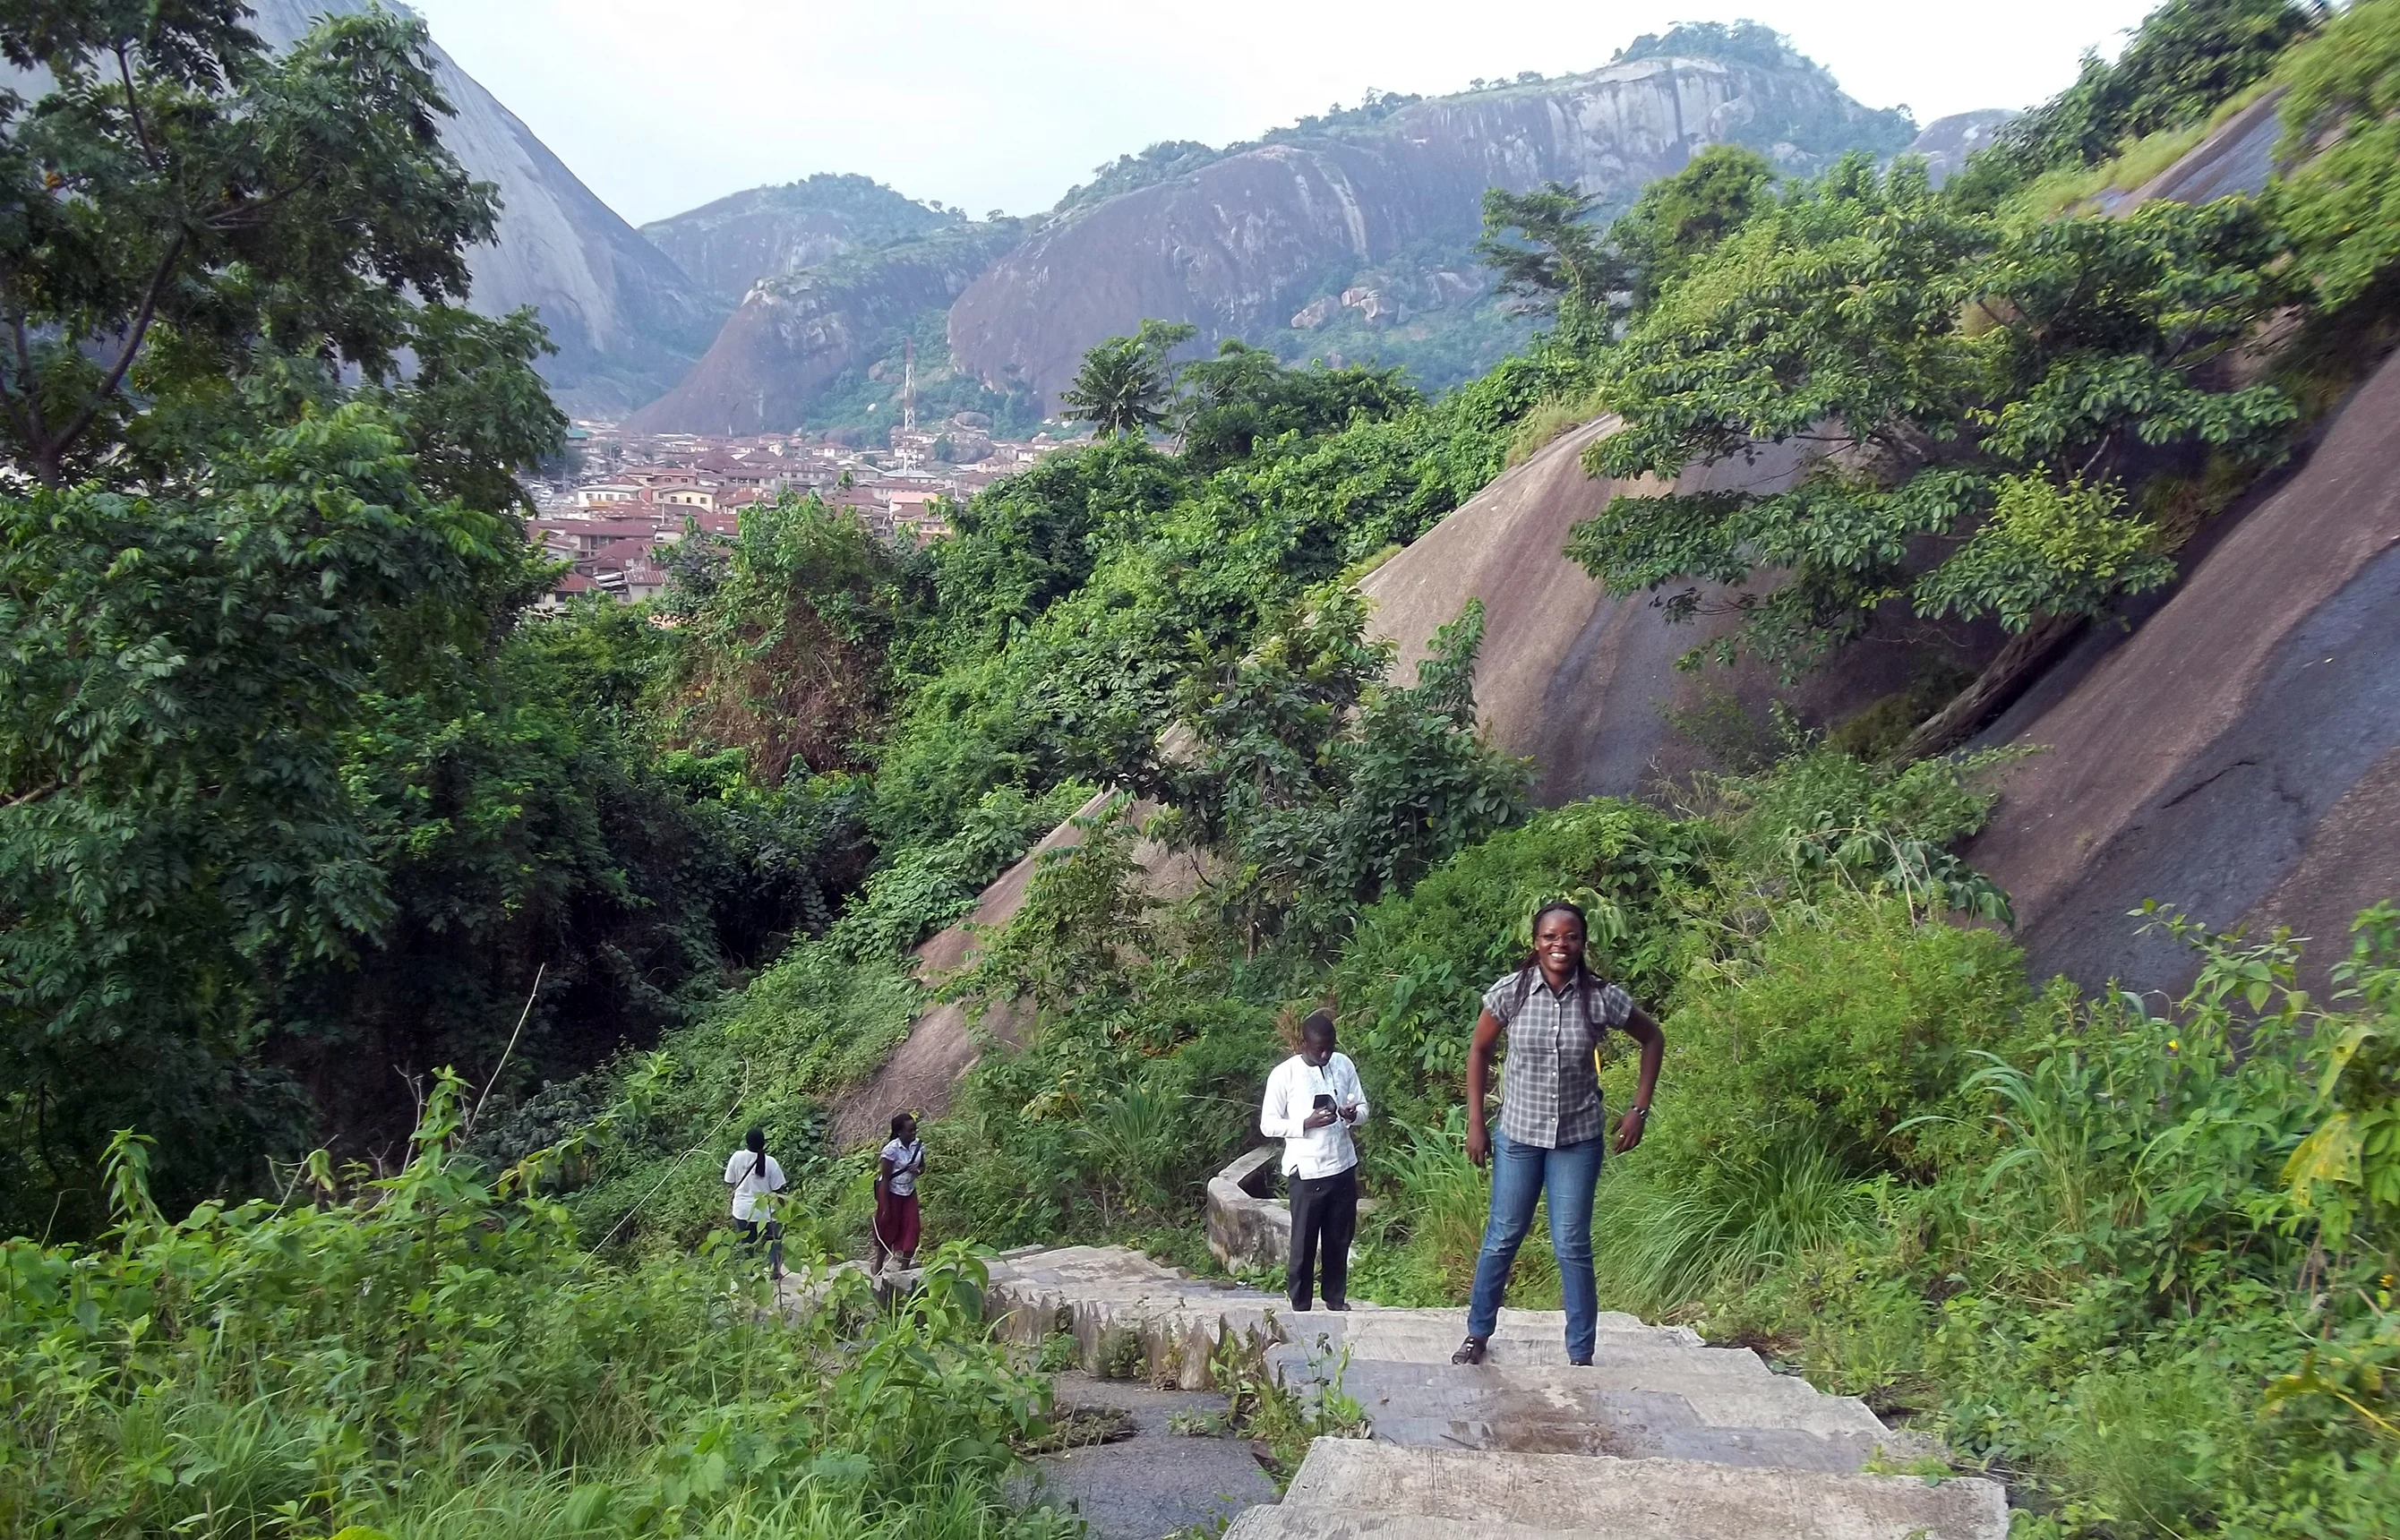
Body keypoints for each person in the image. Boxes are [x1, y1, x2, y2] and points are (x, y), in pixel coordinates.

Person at [1454, 900, 1664, 1367]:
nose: (1560, 945)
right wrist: (1475, 1123)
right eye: (1550, 936)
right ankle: (1477, 1333)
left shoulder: (1601, 998)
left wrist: (1638, 1109)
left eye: (1569, 937)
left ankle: (1580, 1353)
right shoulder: (1511, 993)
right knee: (1503, 1235)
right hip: (1520, 1135)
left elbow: (1653, 1038)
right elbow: (1479, 1050)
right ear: (1536, 942)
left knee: (1571, 1243)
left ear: (1582, 943)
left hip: (1577, 1137)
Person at [1259, 1007, 1369, 1313]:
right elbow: (1268, 1124)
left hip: (1342, 1164)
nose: (1325, 1055)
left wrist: (1352, 1114)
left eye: (1330, 1047)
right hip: (1307, 1169)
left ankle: (1335, 1298)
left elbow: (1363, 1107)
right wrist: (1305, 1123)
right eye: (1319, 1049)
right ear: (1303, 1044)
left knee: (1339, 1236)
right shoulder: (1285, 1074)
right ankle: (1301, 1303)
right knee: (1304, 1241)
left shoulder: (1343, 1065)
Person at [722, 1125, 787, 1278]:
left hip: (742, 1210)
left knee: (746, 1244)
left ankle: (748, 1273)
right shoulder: (771, 1162)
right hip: (765, 1212)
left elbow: (729, 1181)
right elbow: (778, 1189)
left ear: (747, 1142)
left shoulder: (736, 1157)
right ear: (763, 1143)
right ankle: (774, 1271)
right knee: (773, 1241)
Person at [871, 1111, 926, 1274]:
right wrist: (885, 1207)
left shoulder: (919, 1146)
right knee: (888, 1228)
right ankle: (878, 1266)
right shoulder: (891, 1150)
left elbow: (923, 1167)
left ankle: (904, 1268)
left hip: (909, 1192)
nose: (913, 1133)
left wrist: (917, 1171)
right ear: (899, 1132)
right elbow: (886, 1179)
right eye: (910, 1130)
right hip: (892, 1193)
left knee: (913, 1228)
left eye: (914, 1129)